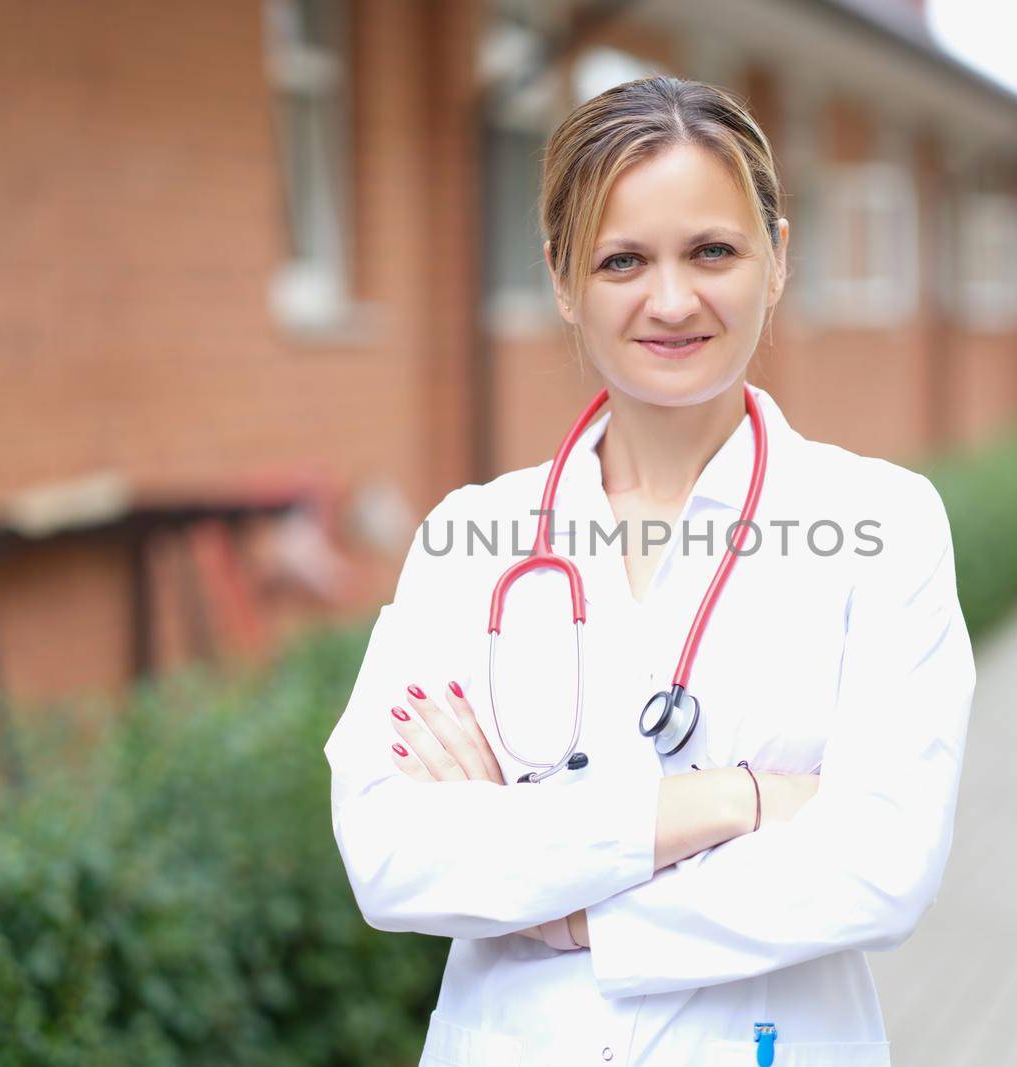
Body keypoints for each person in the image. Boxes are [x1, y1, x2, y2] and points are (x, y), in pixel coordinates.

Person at [324, 74, 976, 1067]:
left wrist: (572, 910)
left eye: (711, 250)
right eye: (622, 259)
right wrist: (736, 800)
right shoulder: (473, 537)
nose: (671, 300)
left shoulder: (880, 524)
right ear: (560, 278)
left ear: (778, 258)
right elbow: (393, 857)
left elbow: (880, 866)